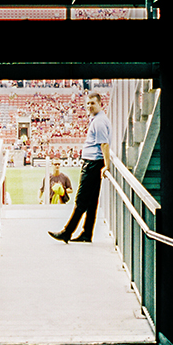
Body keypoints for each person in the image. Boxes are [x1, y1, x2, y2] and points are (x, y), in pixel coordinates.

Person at [49, 92, 111, 243]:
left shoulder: (99, 122)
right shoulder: (98, 119)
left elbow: (104, 144)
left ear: (100, 104)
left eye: (93, 103)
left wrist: (107, 166)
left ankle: (67, 232)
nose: (89, 106)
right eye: (88, 103)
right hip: (94, 163)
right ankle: (86, 233)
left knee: (81, 200)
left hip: (92, 164)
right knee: (91, 201)